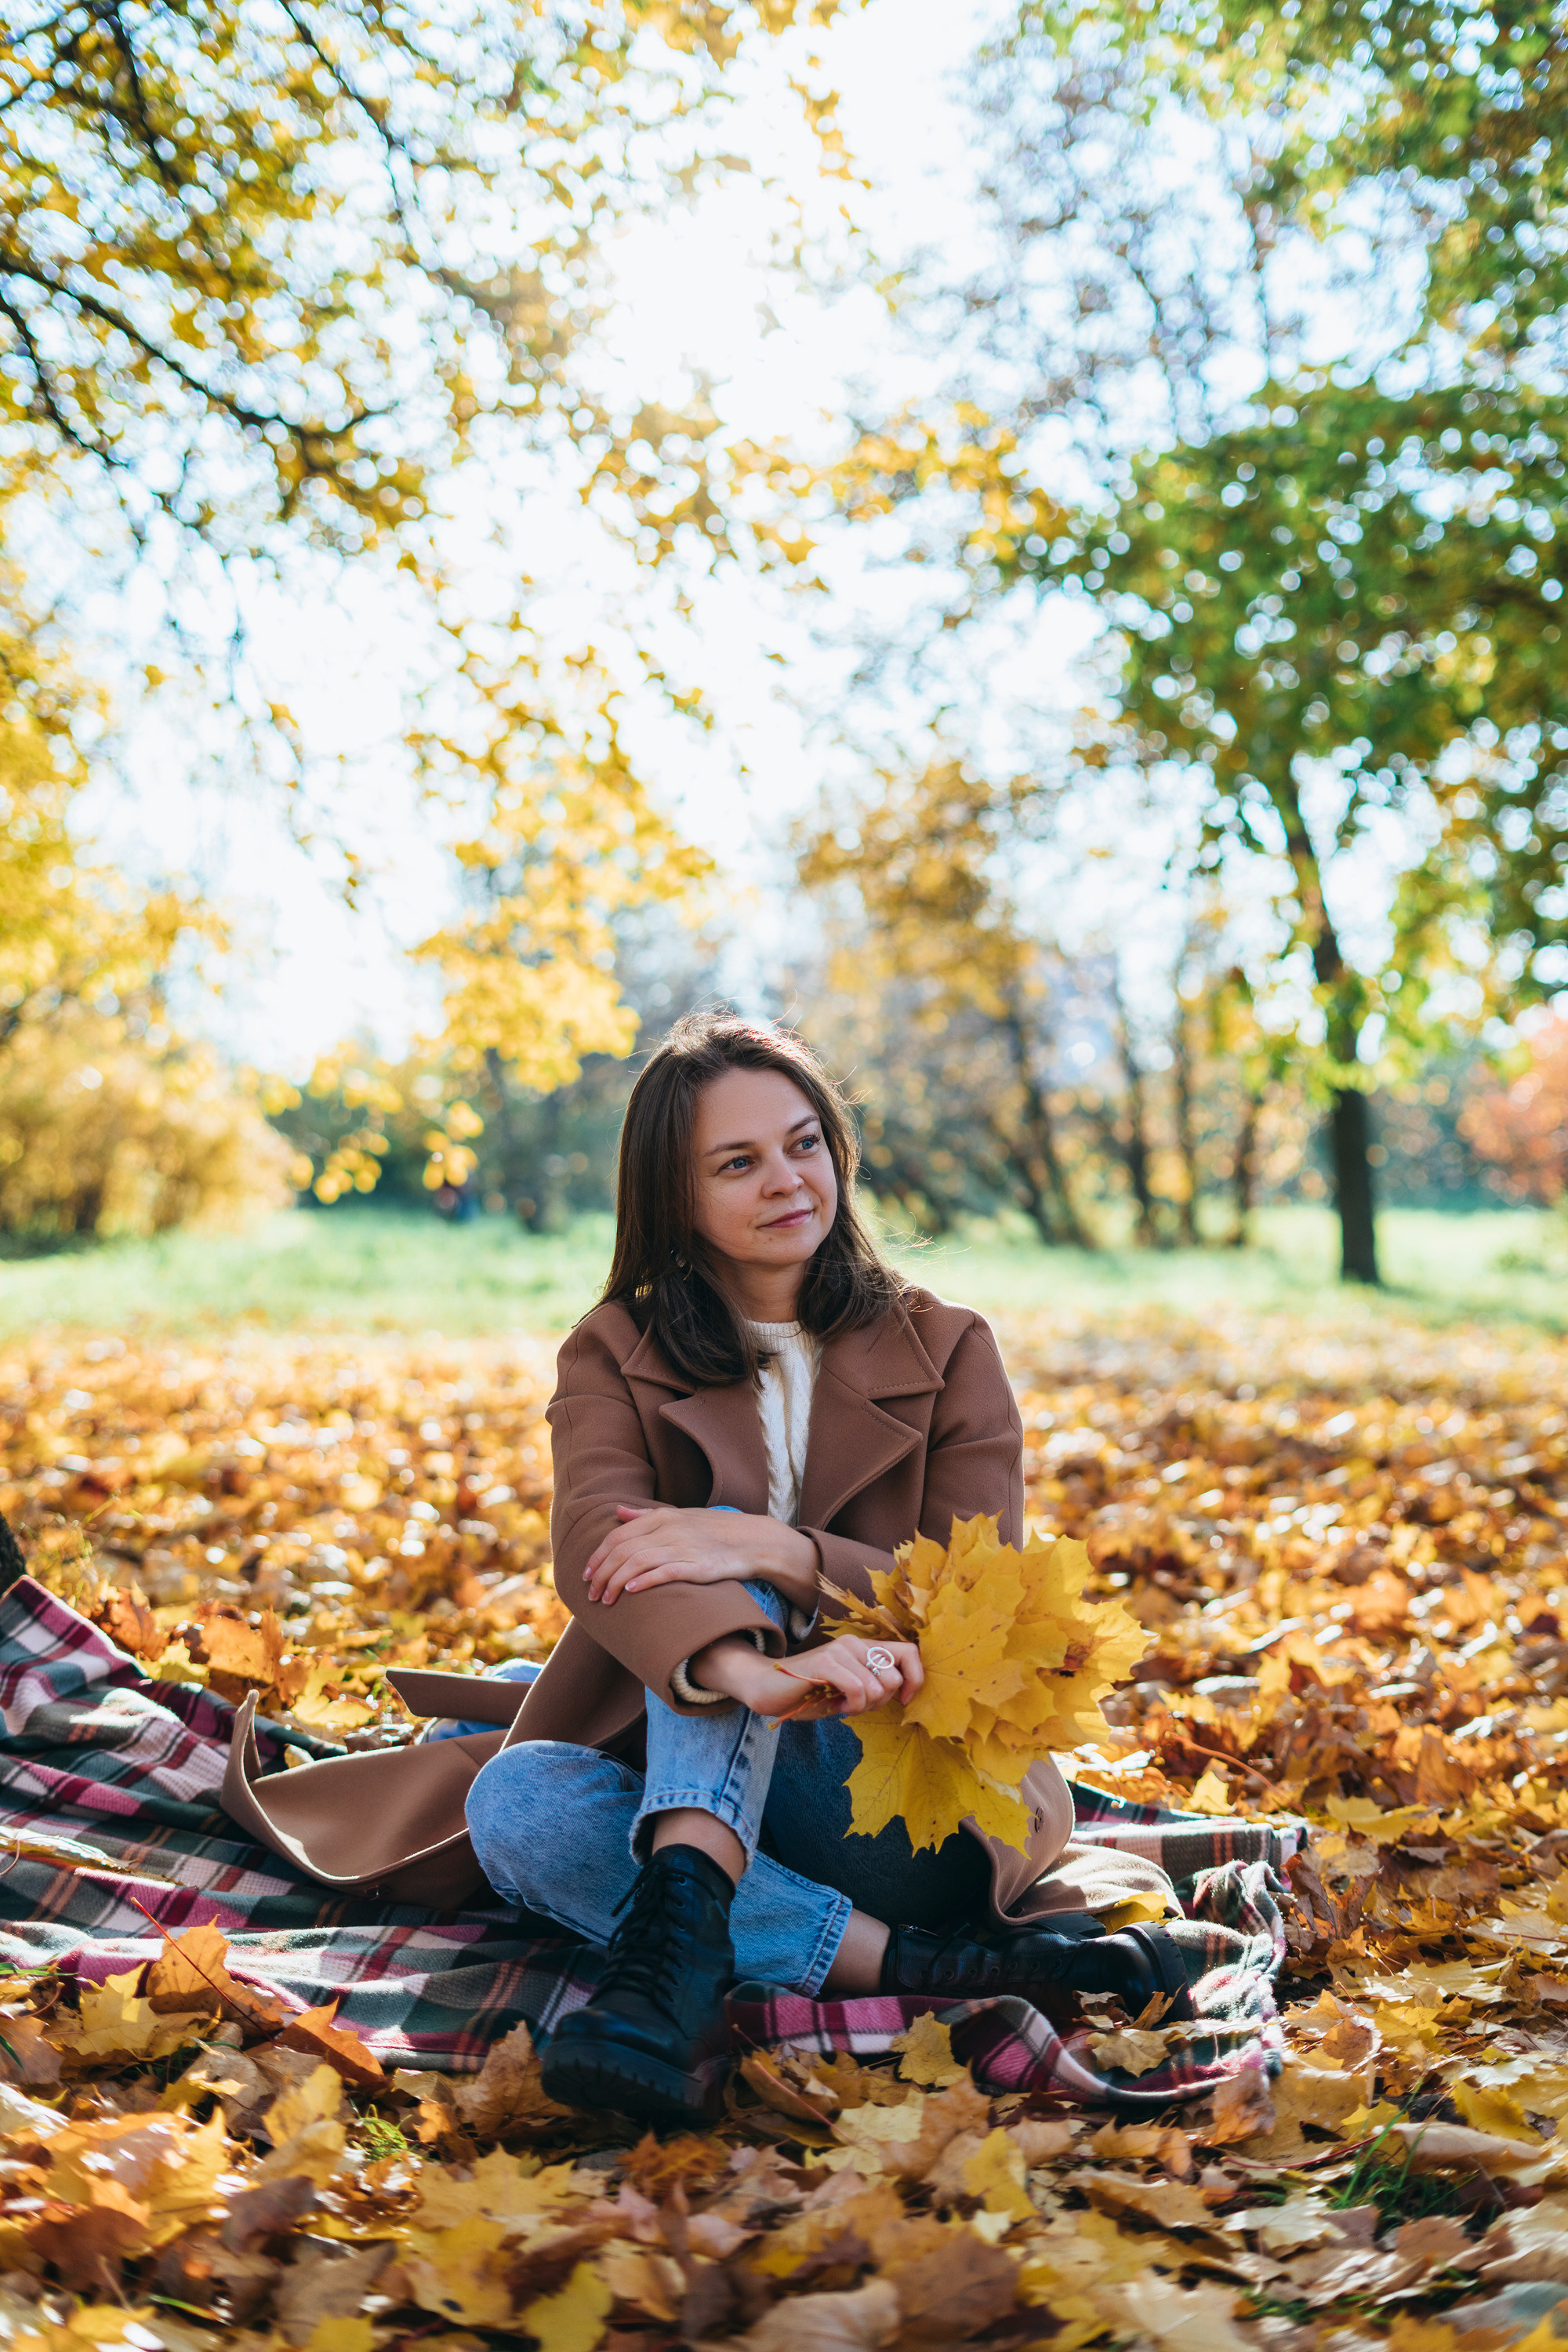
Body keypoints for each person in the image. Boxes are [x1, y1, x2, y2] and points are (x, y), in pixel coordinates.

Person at [458, 1013, 1188, 2125]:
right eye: (738, 1162)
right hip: (719, 1744)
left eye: (804, 1143)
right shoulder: (614, 1348)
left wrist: (772, 1550)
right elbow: (597, 1545)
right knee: (515, 1799)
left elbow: (972, 1600)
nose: (787, 1180)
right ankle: (908, 1968)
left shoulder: (946, 1347)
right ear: (676, 1196)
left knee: (715, 1543)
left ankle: (669, 1978)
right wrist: (747, 1676)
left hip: (903, 1779)